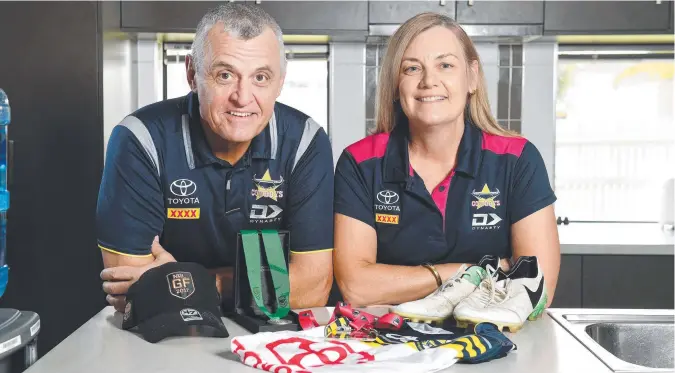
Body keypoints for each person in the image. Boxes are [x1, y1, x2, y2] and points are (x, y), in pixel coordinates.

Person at [96, 3, 334, 313]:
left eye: (260, 77)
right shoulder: (140, 139)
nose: (243, 97)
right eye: (225, 75)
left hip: (270, 336)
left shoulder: (306, 142)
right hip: (158, 336)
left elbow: (312, 288)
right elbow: (131, 293)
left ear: (281, 81)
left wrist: (186, 281)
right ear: (192, 74)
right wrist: (267, 282)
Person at [333, 13, 560, 309]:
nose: (429, 81)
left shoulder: (517, 159)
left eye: (445, 65)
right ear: (395, 84)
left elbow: (536, 290)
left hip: (496, 342)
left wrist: (396, 283)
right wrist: (468, 272)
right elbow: (357, 288)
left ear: (472, 77)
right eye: (412, 68)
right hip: (388, 345)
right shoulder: (359, 162)